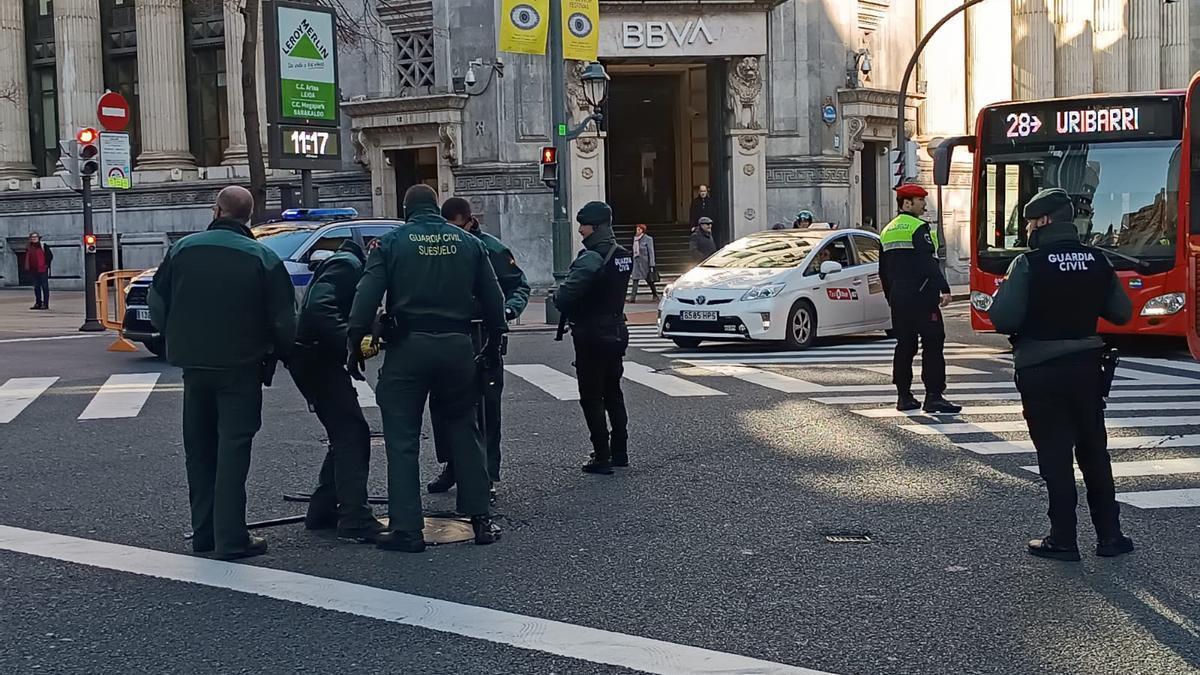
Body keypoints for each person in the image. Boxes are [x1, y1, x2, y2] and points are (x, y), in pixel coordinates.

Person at [347, 185, 506, 553]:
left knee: (402, 439)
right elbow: (494, 300)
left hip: (408, 347)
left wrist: (355, 342)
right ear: (437, 208)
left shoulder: (390, 243)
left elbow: (364, 301)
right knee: (465, 430)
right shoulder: (468, 242)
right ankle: (481, 519)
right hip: (456, 347)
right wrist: (493, 342)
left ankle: (406, 528)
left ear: (406, 210)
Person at [148, 185, 296, 561]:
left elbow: (156, 298)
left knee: (198, 449)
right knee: (233, 449)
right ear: (247, 217)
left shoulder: (182, 249)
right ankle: (232, 537)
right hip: (241, 366)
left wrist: (172, 336)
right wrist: (285, 355)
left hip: (193, 366)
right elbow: (283, 319)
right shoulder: (262, 256)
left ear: (216, 210)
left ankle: (204, 533)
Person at [988, 188, 1134, 562]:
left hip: (1041, 369)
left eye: (1032, 222)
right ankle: (1110, 536)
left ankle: (1063, 537)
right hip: (1087, 367)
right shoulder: (1097, 260)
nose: (1029, 229)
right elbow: (1121, 313)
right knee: (1094, 453)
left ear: (1044, 221)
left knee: (1055, 455)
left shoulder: (1028, 263)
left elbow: (1003, 317)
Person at [427, 197, 530, 497]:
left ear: (469, 221)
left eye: (457, 227)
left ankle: (486, 472)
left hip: (483, 335)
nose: (452, 234)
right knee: (443, 405)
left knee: (486, 408)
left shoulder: (492, 248)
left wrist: (507, 311)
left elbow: (518, 285)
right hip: (447, 335)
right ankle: (453, 465)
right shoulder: (437, 244)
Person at [288, 238, 386, 542]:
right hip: (317, 359)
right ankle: (354, 518)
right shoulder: (348, 266)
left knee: (346, 431)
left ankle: (324, 509)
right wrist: (348, 343)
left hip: (313, 358)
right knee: (352, 433)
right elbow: (320, 308)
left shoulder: (345, 264)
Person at [553, 202, 633, 474]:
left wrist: (560, 297)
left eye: (583, 225)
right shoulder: (623, 255)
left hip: (591, 334)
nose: (580, 230)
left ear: (596, 226)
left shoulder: (591, 257)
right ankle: (620, 450)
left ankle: (601, 454)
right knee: (614, 392)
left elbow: (565, 296)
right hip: (616, 331)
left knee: (591, 396)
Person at [879, 183, 960, 414]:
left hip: (898, 298)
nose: (924, 204)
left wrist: (890, 296)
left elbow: (883, 270)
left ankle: (903, 396)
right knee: (933, 342)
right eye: (920, 200)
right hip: (922, 296)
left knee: (905, 346)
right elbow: (928, 262)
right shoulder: (918, 227)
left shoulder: (887, 230)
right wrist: (944, 288)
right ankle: (934, 396)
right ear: (907, 203)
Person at [628, 223, 658, 302]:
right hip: (637, 261)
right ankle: (632, 298)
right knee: (635, 279)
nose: (637, 231)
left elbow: (651, 252)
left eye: (639, 229)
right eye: (637, 229)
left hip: (645, 263)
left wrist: (652, 264)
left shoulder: (648, 239)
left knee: (649, 279)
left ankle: (655, 294)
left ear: (643, 230)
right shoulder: (635, 239)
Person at [25, 232, 53, 310]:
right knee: (36, 287)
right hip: (34, 270)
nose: (34, 239)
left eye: (35, 237)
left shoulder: (43, 245)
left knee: (45, 287)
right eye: (32, 237)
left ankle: (46, 304)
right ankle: (38, 303)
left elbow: (50, 256)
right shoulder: (29, 247)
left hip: (42, 269)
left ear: (38, 238)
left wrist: (46, 265)